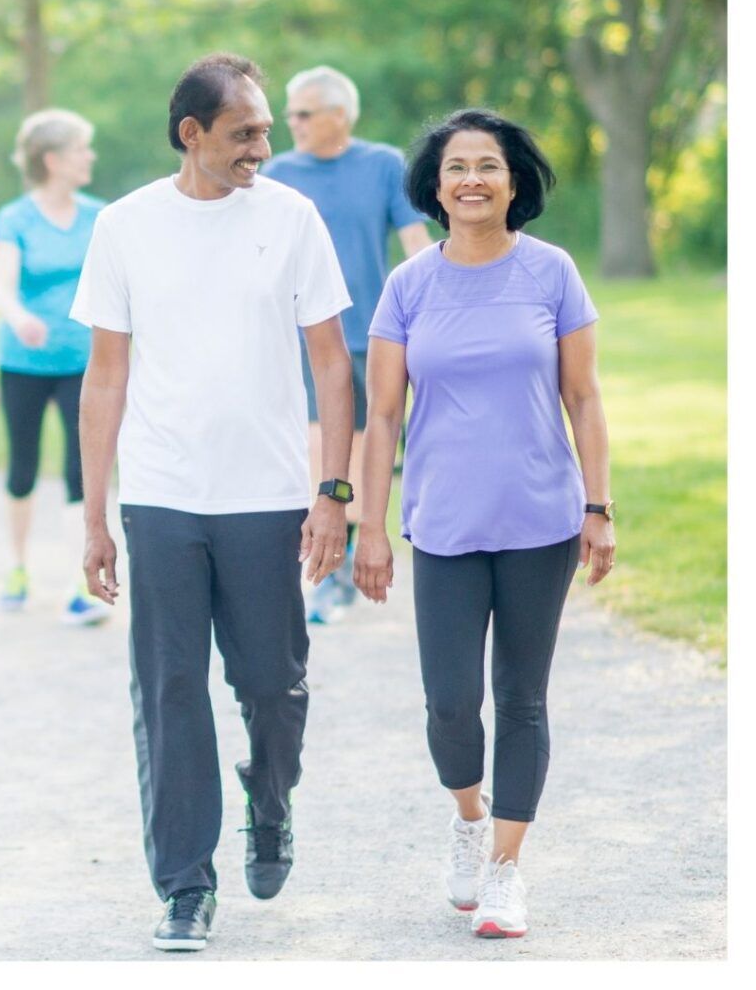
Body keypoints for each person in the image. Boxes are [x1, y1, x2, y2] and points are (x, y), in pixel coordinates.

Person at [71, 53, 354, 951]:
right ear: (191, 135)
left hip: (269, 497)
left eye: (268, 130)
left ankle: (270, 803)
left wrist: (332, 494)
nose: (263, 148)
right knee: (169, 693)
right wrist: (94, 517)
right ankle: (185, 886)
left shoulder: (292, 218)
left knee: (273, 687)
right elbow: (105, 377)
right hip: (161, 498)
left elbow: (331, 363)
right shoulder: (125, 226)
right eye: (245, 133)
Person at [355, 108, 615, 939]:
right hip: (443, 525)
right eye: (457, 166)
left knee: (522, 699)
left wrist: (598, 508)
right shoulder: (409, 287)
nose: (472, 178)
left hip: (540, 520)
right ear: (436, 187)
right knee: (449, 704)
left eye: (489, 166)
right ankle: (469, 819)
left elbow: (584, 397)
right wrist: (370, 524)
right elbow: (382, 416)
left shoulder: (553, 272)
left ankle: (506, 870)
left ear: (513, 183)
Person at [262, 65, 433, 623]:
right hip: (302, 337)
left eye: (303, 113)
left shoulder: (383, 164)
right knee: (320, 444)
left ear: (340, 114)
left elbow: (414, 240)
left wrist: (435, 304)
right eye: (289, 113)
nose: (291, 122)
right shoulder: (278, 172)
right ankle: (331, 571)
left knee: (370, 443)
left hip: (375, 332)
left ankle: (356, 549)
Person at [0, 108, 110, 625]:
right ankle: (17, 567)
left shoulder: (100, 215)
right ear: (53, 159)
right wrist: (19, 319)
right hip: (22, 361)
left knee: (80, 471)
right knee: (23, 467)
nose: (90, 157)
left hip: (83, 363)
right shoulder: (14, 217)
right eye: (82, 148)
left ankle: (77, 586)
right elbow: (1, 283)